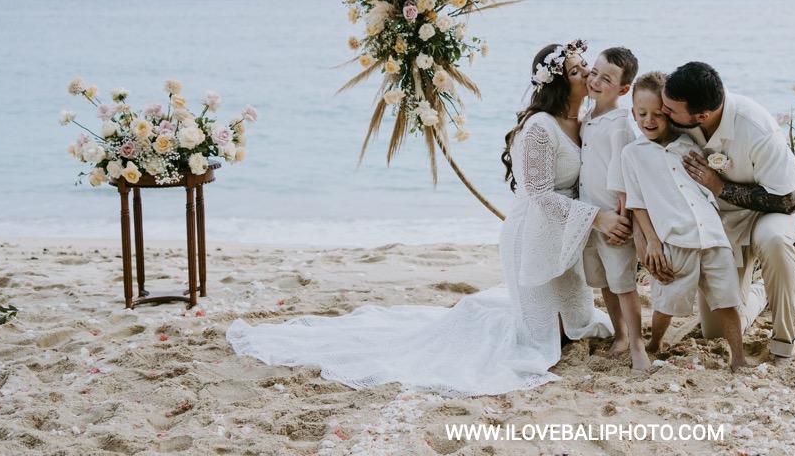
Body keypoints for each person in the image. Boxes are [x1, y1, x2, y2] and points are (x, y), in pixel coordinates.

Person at [225, 41, 632, 395]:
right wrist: (596, 218)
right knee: (537, 343)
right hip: (532, 238)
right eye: (578, 71)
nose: (588, 75)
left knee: (577, 325)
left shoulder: (584, 121)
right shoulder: (540, 127)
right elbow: (540, 196)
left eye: (588, 67)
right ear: (558, 82)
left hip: (563, 237)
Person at [659, 62, 795, 364]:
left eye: (670, 109)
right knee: (714, 332)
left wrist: (720, 187)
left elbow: (790, 200)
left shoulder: (756, 127)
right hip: (720, 223)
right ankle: (765, 291)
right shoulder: (679, 118)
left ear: (701, 116)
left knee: (775, 241)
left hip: (768, 214)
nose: (663, 112)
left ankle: (783, 343)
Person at [621, 71, 747, 371]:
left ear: (669, 113)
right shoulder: (633, 154)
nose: (649, 120)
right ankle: (655, 342)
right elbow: (637, 203)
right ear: (633, 114)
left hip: (712, 236)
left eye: (657, 113)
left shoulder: (689, 143)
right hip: (675, 239)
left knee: (727, 300)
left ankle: (739, 357)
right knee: (667, 302)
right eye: (642, 114)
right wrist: (651, 241)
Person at [578, 46, 648, 370]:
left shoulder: (619, 123)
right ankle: (620, 333)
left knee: (623, 283)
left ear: (622, 90)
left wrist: (624, 219)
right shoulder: (587, 118)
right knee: (605, 282)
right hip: (591, 218)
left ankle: (637, 344)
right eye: (594, 73)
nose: (595, 81)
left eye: (606, 79)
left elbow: (624, 173)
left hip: (613, 218)